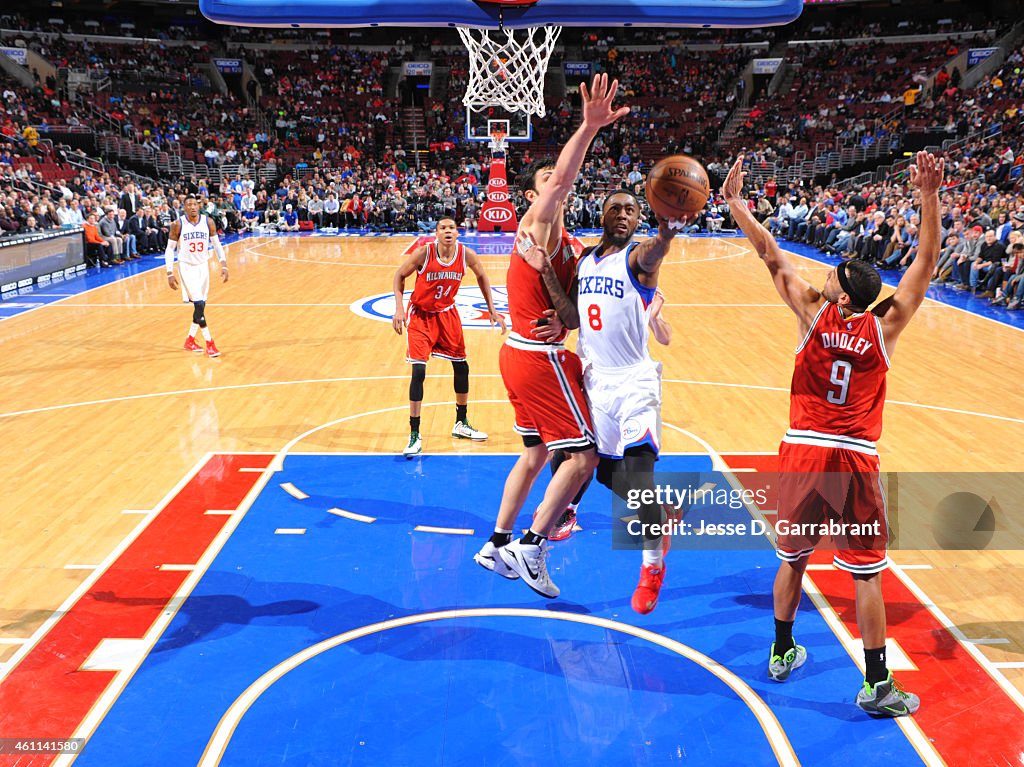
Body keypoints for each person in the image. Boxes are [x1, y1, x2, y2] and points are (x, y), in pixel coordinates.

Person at [722, 150, 944, 717]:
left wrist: (737, 205)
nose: (823, 272)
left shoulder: (811, 314)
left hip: (801, 453)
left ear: (842, 295)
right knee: (866, 573)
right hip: (852, 459)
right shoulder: (886, 324)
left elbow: (772, 256)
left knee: (793, 558)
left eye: (833, 274)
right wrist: (928, 196)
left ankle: (780, 651)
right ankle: (876, 684)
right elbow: (924, 260)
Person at [474, 73, 629, 599]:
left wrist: (566, 316)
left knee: (536, 454)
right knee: (582, 458)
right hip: (538, 360)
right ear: (532, 193)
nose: (558, 182)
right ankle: (532, 544)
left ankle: (496, 543)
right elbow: (563, 181)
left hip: (522, 354)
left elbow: (579, 310)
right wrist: (587, 129)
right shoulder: (533, 226)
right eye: (547, 178)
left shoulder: (569, 245)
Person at [525, 190, 685, 612]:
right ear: (602, 213)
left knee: (638, 473)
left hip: (635, 384)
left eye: (632, 210)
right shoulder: (585, 261)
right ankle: (665, 511)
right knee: (607, 477)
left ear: (638, 220)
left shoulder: (637, 259)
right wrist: (545, 273)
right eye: (615, 207)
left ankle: (652, 567)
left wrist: (667, 235)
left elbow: (654, 253)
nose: (623, 214)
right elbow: (574, 317)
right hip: (596, 384)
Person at [392, 218, 506, 457]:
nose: (447, 231)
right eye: (443, 228)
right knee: (419, 372)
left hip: (447, 314)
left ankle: (461, 423)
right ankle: (414, 434)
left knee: (462, 367)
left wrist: (492, 309)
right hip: (421, 316)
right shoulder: (425, 253)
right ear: (436, 233)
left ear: (457, 232)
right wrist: (399, 308)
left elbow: (482, 276)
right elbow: (399, 275)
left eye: (451, 228)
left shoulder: (466, 254)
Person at [165, 195, 229, 358]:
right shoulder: (178, 224)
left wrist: (224, 264)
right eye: (189, 205)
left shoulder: (208, 222)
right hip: (186, 267)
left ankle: (190, 340)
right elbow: (169, 249)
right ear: (184, 207)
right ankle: (210, 343)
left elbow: (217, 244)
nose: (192, 207)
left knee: (201, 305)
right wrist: (170, 272)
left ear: (198, 206)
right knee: (199, 304)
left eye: (195, 204)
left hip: (203, 266)